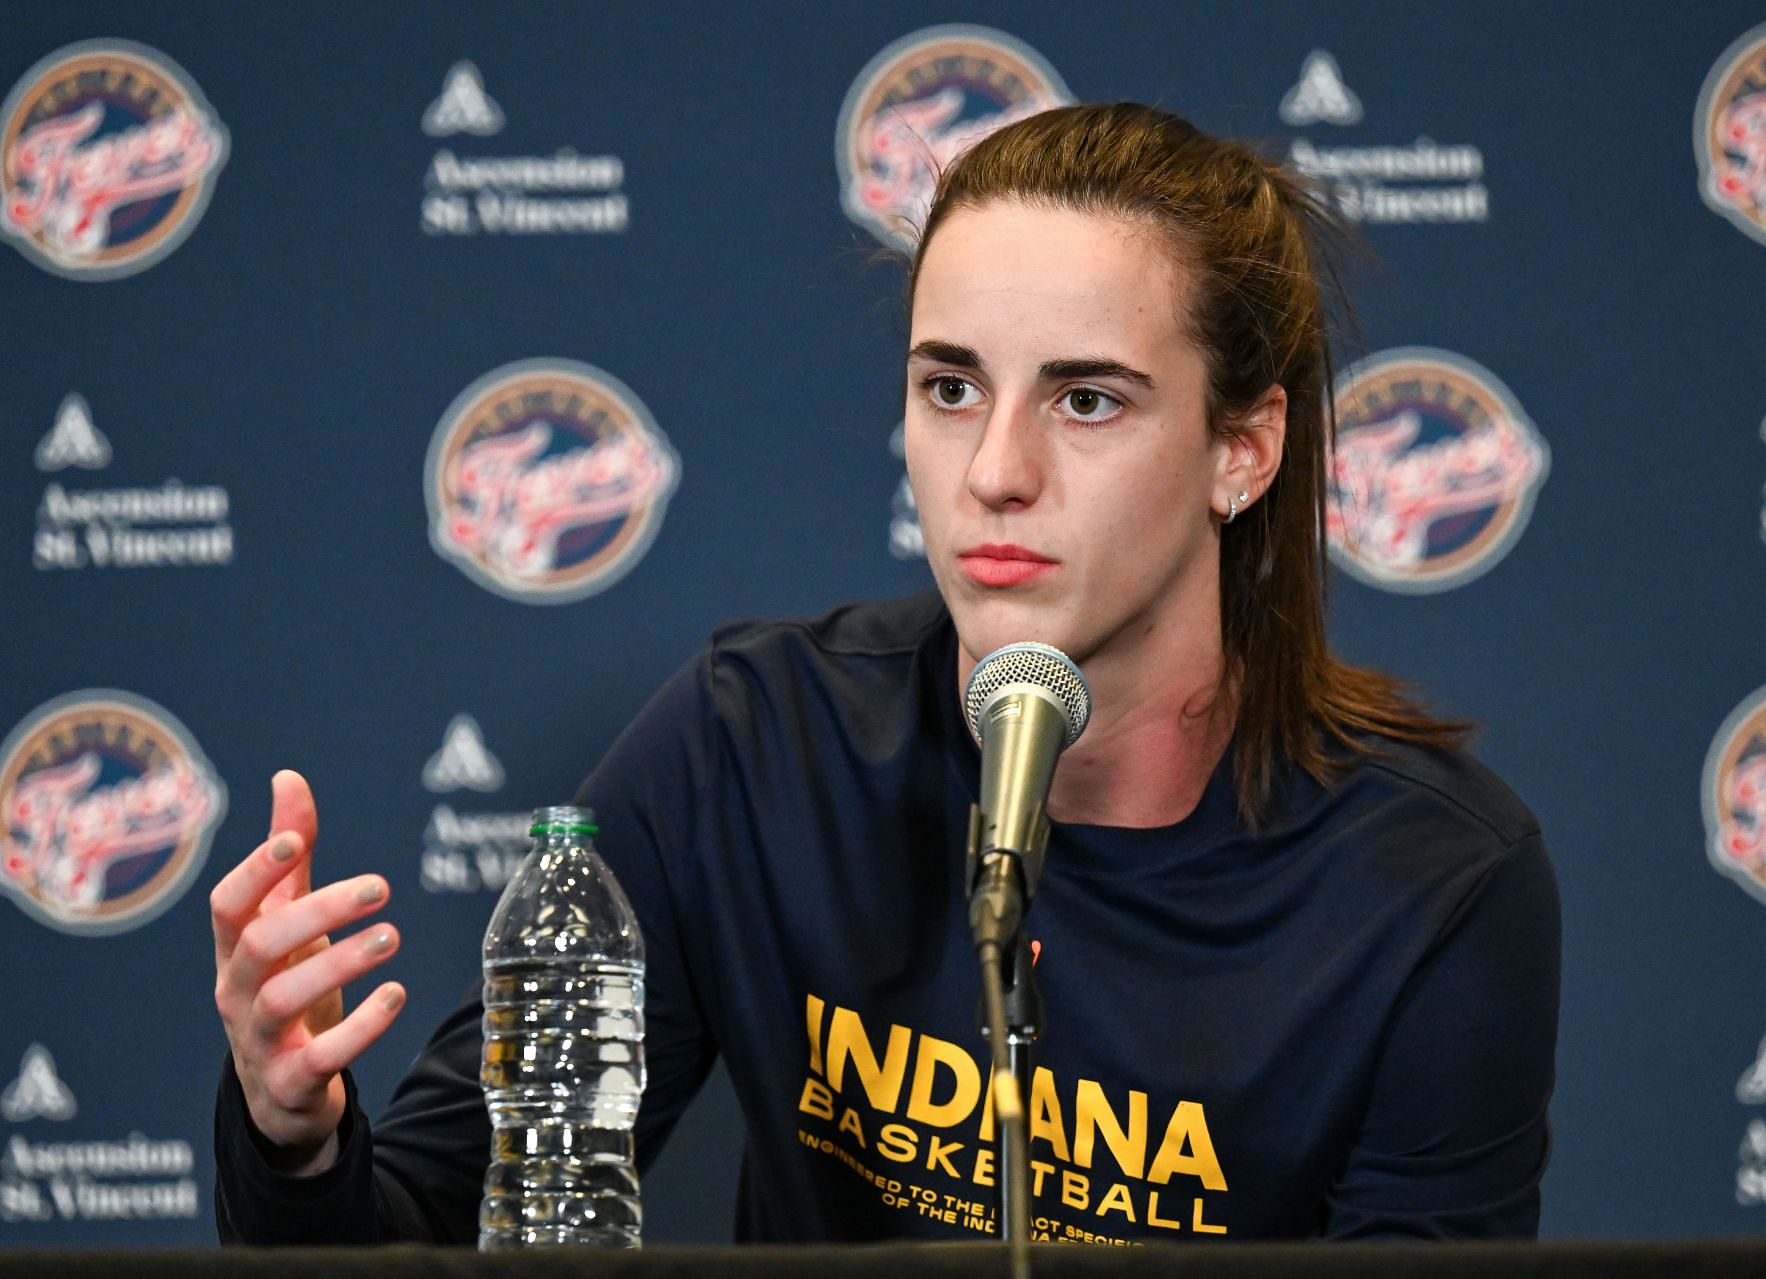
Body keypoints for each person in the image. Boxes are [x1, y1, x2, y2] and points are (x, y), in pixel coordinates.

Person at [210, 102, 1559, 1246]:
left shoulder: (1433, 883)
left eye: (1087, 399)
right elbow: (438, 1230)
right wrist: (296, 1137)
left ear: (1242, 451)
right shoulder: (754, 744)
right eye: (951, 388)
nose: (994, 473)